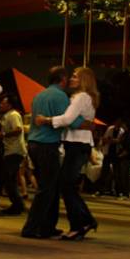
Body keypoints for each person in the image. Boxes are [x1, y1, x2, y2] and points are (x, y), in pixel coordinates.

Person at [20, 66, 85, 239]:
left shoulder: (39, 95)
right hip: (47, 145)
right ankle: (31, 228)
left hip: (34, 143)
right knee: (47, 189)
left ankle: (48, 226)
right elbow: (69, 120)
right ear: (62, 79)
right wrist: (86, 121)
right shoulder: (60, 96)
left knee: (50, 186)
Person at [36, 66, 100, 240]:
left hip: (76, 144)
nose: (71, 79)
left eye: (75, 76)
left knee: (66, 185)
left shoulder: (80, 97)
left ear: (84, 80)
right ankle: (84, 221)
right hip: (80, 144)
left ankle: (81, 223)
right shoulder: (88, 98)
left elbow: (67, 119)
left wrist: (45, 120)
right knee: (68, 185)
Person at [0, 92, 26, 216]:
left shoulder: (13, 115)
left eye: (4, 102)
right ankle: (16, 205)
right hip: (9, 151)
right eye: (1, 102)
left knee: (5, 178)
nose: (1, 104)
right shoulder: (5, 115)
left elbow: (18, 130)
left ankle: (7, 204)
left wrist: (2, 135)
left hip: (15, 151)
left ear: (10, 104)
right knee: (7, 179)